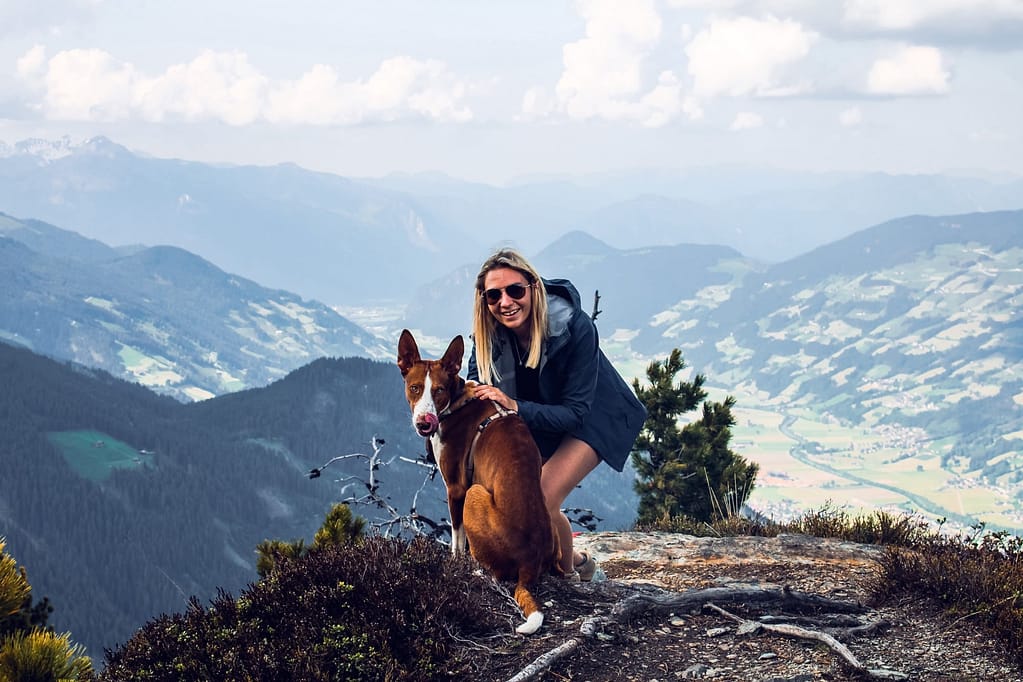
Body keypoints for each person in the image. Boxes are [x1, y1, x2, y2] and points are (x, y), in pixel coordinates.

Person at [467, 248, 647, 581]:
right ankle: (579, 562)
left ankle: (567, 582)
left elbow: (576, 413)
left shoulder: (573, 326)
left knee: (541, 498)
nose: (505, 302)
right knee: (524, 498)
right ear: (485, 301)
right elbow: (477, 390)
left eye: (515, 290)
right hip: (539, 414)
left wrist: (515, 406)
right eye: (494, 296)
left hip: (594, 415)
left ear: (534, 287)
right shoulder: (488, 335)